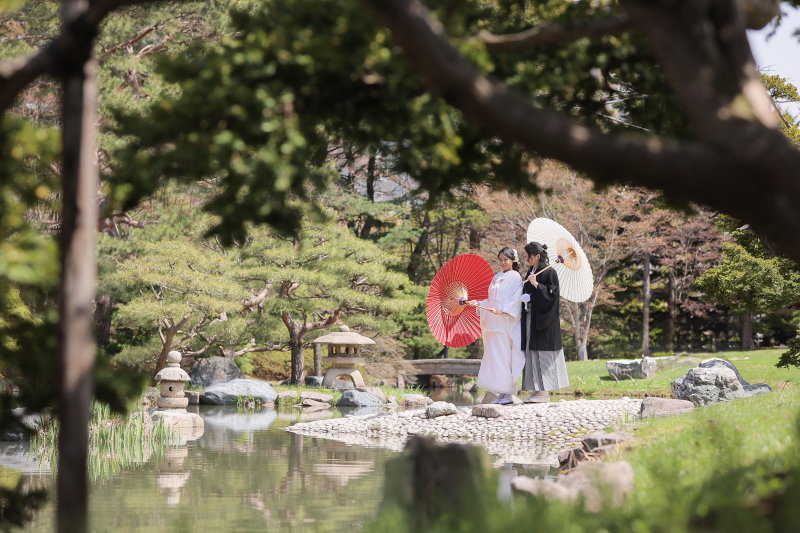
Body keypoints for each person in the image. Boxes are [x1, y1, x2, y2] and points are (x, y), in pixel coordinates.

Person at [467, 247, 526, 405]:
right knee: (495, 358)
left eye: (506, 260)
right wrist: (479, 303)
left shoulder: (515, 277)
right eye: (500, 260)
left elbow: (516, 300)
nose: (503, 263)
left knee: (506, 358)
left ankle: (508, 393)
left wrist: (503, 311)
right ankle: (501, 392)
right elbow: (491, 300)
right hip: (492, 322)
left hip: (504, 323)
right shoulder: (497, 277)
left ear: (513, 260)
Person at [520, 242, 569, 403]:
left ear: (537, 256)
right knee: (532, 353)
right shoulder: (531, 271)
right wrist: (526, 298)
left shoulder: (550, 272)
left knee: (543, 355)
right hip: (531, 318)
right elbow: (527, 292)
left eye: (529, 255)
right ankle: (536, 389)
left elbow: (552, 295)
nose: (526, 258)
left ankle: (544, 392)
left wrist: (537, 285)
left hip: (544, 320)